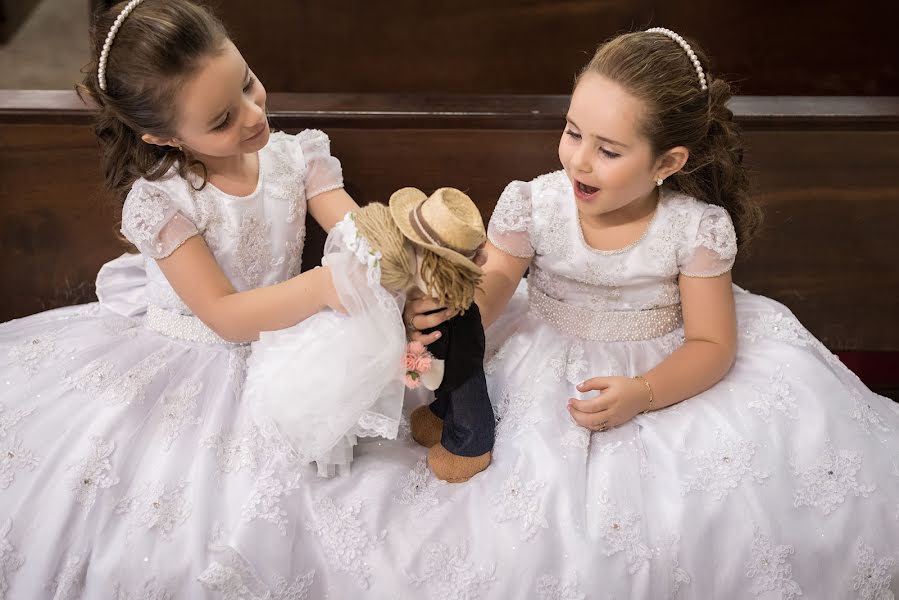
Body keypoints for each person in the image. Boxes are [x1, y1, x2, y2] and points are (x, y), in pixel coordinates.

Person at [400, 27, 899, 598]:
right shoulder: (533, 203)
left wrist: (644, 391)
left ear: (667, 161)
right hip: (543, 347)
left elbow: (712, 345)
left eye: (608, 151)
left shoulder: (694, 228)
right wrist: (455, 311)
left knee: (703, 503)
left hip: (665, 360)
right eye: (571, 132)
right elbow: (492, 291)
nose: (579, 161)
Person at [0, 0, 355, 596]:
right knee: (188, 509)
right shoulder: (164, 200)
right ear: (162, 135)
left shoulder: (297, 154)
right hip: (198, 354)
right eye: (220, 119)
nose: (251, 117)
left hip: (289, 339)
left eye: (247, 84)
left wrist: (396, 244)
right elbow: (223, 314)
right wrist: (323, 285)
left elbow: (351, 225)